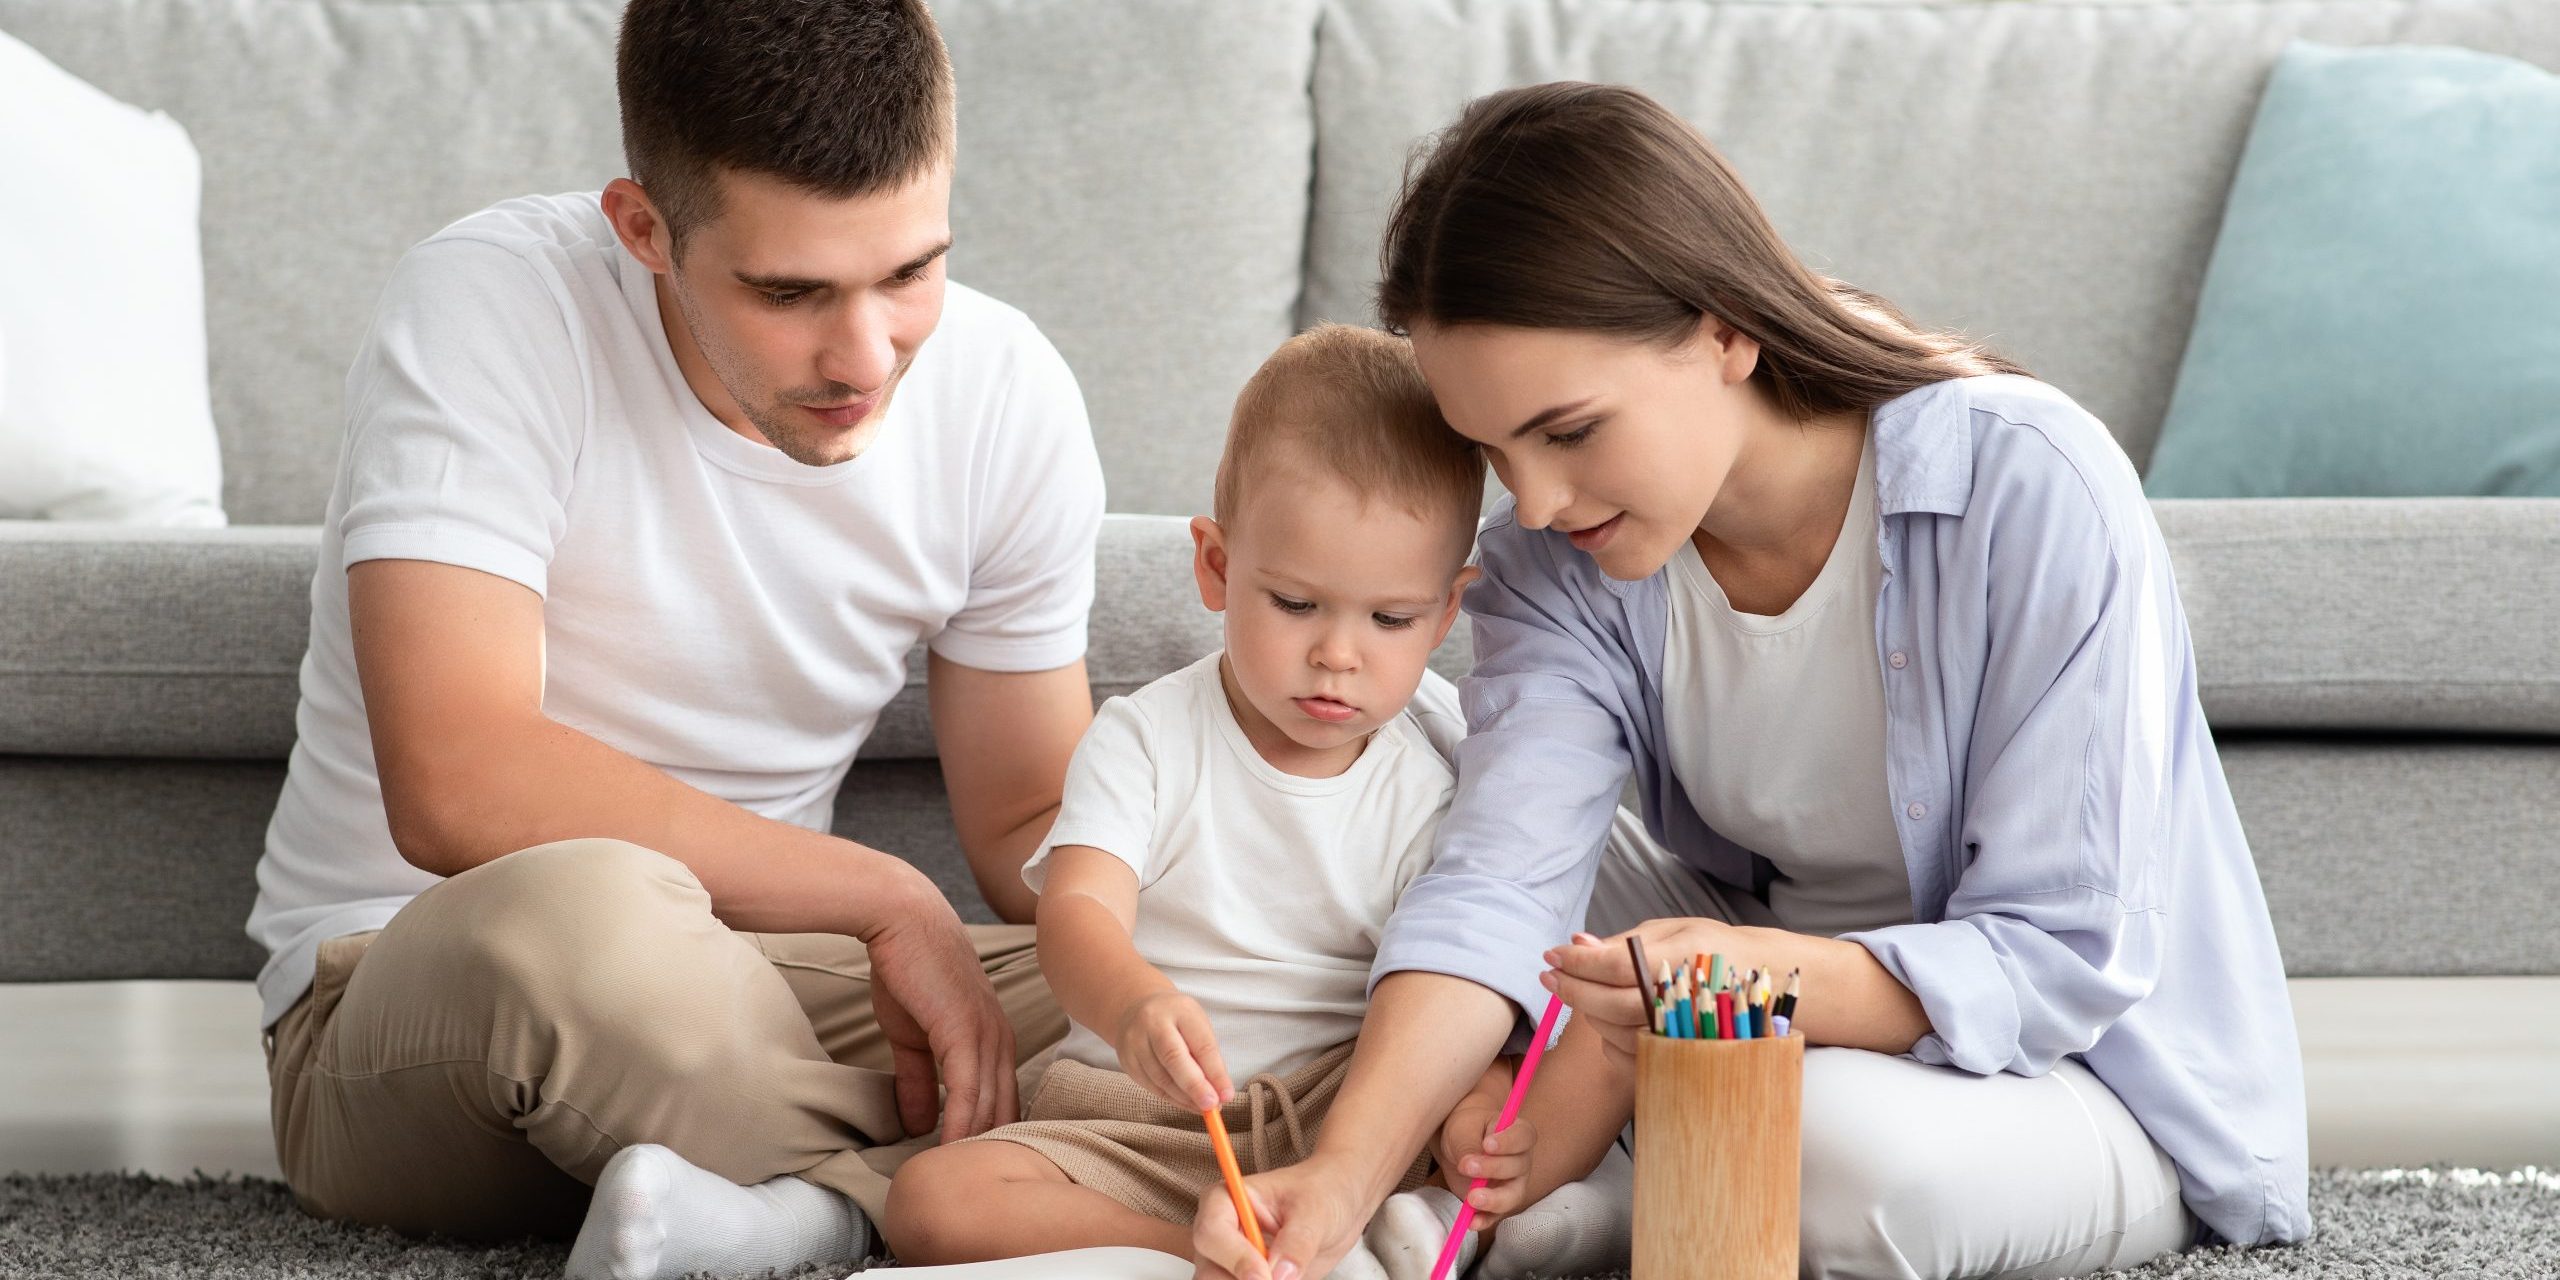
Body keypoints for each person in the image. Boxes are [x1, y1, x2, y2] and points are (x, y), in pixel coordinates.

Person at [1192, 82, 2311, 1280]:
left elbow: (2058, 957)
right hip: (1733, 997)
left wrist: (1748, 984)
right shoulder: (1556, 560)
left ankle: (1600, 1149)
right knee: (1393, 755)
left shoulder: (2027, 484)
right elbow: (1500, 877)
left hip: (2066, 1067)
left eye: (1567, 431)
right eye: (1491, 452)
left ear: (1724, 330)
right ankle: (1550, 1154)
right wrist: (1344, 1170)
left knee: (1812, 1148)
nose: (1537, 501)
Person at [245, 3, 1104, 1278]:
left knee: (1240, 985)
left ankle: (801, 1205)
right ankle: (1011, 1181)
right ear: (643, 228)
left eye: (911, 271)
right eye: (789, 290)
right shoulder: (493, 302)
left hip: (771, 986)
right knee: (587, 913)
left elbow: (1036, 811)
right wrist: (883, 895)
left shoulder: (1005, 390)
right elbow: (457, 777)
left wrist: (1233, 926)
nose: (865, 353)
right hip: (434, 982)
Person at [881, 324, 1511, 1279]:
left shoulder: (1428, 784)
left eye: (1391, 619)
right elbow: (1079, 909)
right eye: (1296, 604)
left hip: (1336, 1120)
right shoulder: (1147, 738)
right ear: (1216, 567)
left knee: (1492, 1098)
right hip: (1140, 1125)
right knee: (930, 1201)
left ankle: (1383, 1228)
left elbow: (1438, 995)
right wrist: (1133, 1004)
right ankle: (1206, 1258)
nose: (1339, 654)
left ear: (1448, 611)